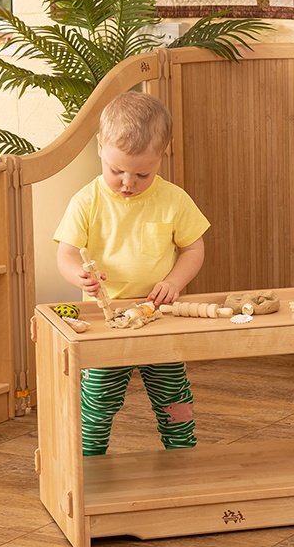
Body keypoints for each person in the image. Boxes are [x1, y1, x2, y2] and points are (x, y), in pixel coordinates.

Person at [54, 91, 210, 455]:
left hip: (160, 316)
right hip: (106, 322)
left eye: (142, 173)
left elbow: (193, 249)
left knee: (173, 396)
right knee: (98, 401)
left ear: (162, 156)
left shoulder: (174, 199)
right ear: (100, 149)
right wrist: (79, 276)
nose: (127, 182)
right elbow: (65, 254)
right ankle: (88, 460)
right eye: (116, 171)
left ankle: (183, 453)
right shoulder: (86, 201)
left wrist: (174, 281)